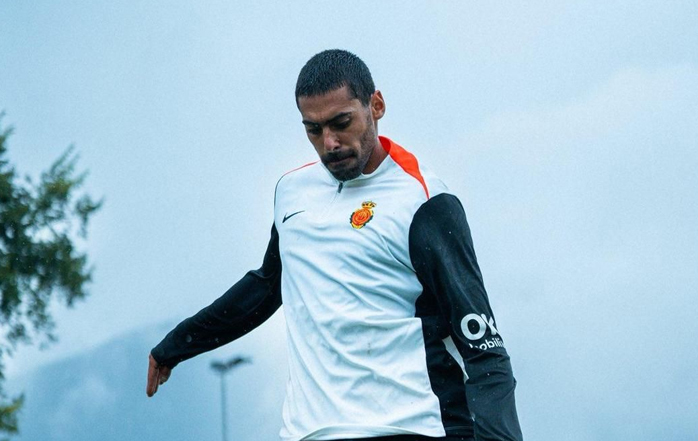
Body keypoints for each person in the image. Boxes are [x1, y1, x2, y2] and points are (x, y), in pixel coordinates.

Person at [146, 49, 523, 441]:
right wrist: (176, 344)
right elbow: (265, 288)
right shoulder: (292, 193)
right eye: (313, 130)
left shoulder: (424, 202)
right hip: (308, 432)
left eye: (342, 123)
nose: (329, 143)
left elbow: (484, 348)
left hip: (411, 427)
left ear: (376, 106)